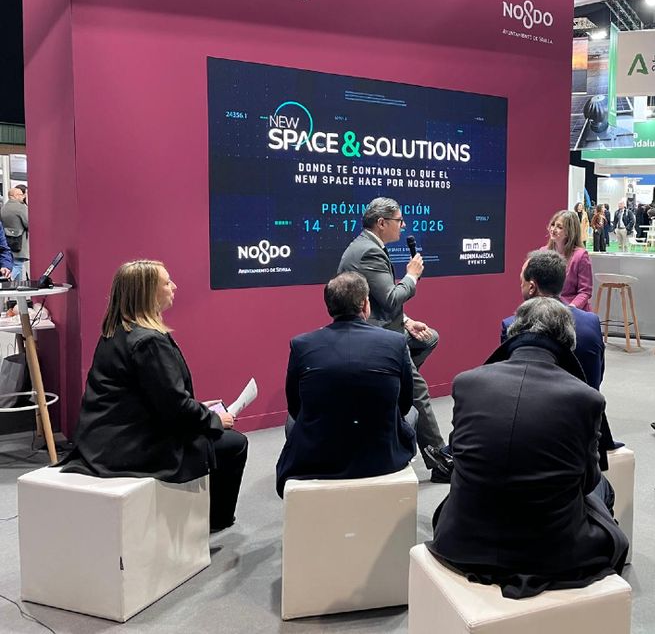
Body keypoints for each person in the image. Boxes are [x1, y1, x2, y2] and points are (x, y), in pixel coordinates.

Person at [428, 297, 628, 599]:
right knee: (604, 489)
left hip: (460, 541)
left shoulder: (467, 383)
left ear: (514, 332)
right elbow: (588, 481)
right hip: (552, 555)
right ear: (568, 342)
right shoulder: (586, 398)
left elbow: (459, 454)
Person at [58, 260, 247, 532]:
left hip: (104, 440)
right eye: (167, 283)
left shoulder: (116, 332)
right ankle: (215, 522)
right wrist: (215, 420)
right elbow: (175, 409)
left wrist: (197, 409)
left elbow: (155, 397)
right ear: (147, 292)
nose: (174, 287)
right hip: (134, 445)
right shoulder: (149, 342)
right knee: (234, 443)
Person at [275, 271, 416, 497]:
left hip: (317, 459)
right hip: (383, 459)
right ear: (365, 304)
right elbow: (405, 404)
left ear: (329, 306)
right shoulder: (395, 342)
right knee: (413, 413)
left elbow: (295, 407)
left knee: (293, 421)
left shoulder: (301, 345)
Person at [338, 197, 449, 481]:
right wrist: (411, 277)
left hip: (385, 326)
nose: (403, 226)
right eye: (399, 221)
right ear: (382, 222)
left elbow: (378, 299)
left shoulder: (369, 246)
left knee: (429, 339)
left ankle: (394, 385)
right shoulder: (368, 252)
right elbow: (389, 298)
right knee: (419, 391)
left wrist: (408, 321)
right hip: (376, 336)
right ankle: (439, 460)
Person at [501, 250, 618, 459]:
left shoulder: (512, 326)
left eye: (521, 281)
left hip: (533, 435)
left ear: (531, 286)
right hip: (588, 431)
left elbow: (509, 385)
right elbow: (597, 377)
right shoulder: (591, 322)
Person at [544, 209, 593, 311]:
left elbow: (585, 291)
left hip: (571, 309)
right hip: (547, 308)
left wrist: (571, 308)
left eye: (559, 227)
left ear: (569, 232)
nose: (553, 229)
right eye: (552, 225)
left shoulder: (580, 256)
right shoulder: (543, 252)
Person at [1, 186, 28, 281]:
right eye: (21, 195)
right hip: (19, 243)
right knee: (18, 265)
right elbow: (28, 223)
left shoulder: (4, 208)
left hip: (6, 241)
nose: (23, 197)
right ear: (15, 195)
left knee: (14, 266)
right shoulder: (21, 207)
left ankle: (14, 286)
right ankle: (7, 280)